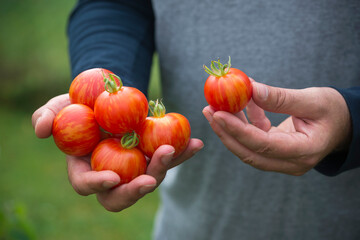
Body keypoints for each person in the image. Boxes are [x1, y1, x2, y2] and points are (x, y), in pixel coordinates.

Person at [32, 0, 360, 239]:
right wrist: (103, 83)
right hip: (190, 224)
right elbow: (117, 5)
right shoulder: (119, 116)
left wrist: (352, 117)